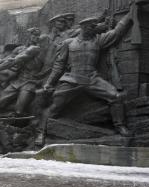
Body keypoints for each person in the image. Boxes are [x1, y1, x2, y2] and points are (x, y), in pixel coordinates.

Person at [41, 9, 135, 141]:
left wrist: (130, 14)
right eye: (92, 27)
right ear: (84, 27)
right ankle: (41, 132)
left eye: (94, 26)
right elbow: (59, 66)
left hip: (92, 79)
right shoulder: (68, 43)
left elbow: (116, 33)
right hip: (72, 79)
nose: (95, 29)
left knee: (116, 97)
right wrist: (49, 83)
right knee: (55, 106)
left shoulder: (98, 40)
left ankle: (120, 126)